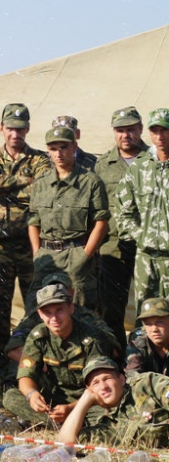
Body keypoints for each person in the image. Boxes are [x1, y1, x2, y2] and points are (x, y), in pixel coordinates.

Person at [0, 103, 52, 390]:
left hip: (29, 243)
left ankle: (35, 363)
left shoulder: (40, 159)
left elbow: (42, 189)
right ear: (1, 128)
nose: (15, 133)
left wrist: (8, 188)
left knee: (36, 307)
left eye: (20, 129)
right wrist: (24, 182)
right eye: (10, 128)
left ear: (28, 129)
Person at [2, 282, 113, 426]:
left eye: (59, 310)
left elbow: (99, 387)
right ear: (40, 314)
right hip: (54, 399)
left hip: (88, 400)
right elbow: (25, 376)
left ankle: (64, 422)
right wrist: (32, 395)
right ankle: (66, 423)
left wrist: (71, 409)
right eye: (47, 312)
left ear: (71, 308)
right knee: (10, 397)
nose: (54, 318)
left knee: (108, 409)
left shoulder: (92, 339)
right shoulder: (38, 336)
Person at [25, 125, 109, 312]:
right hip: (46, 257)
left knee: (79, 312)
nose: (58, 153)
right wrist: (37, 252)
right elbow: (33, 221)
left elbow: (101, 222)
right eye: (53, 148)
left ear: (74, 147)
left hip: (76, 256)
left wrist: (86, 254)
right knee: (38, 311)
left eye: (63, 147)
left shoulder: (90, 182)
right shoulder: (41, 184)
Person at [94, 106, 149, 343]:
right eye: (120, 130)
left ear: (140, 129)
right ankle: (116, 360)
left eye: (130, 129)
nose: (125, 135)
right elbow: (96, 209)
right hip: (113, 247)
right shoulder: (102, 165)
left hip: (149, 247)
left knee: (149, 308)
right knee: (111, 309)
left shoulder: (155, 159)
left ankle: (143, 358)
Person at [115, 108, 169, 318]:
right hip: (146, 259)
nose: (159, 136)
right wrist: (143, 236)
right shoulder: (139, 168)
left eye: (164, 130)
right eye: (154, 131)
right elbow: (123, 212)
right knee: (145, 317)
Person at [57, 356, 169, 448]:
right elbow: (66, 441)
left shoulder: (145, 383)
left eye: (107, 379)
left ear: (121, 380)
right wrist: (84, 401)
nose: (103, 387)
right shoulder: (107, 423)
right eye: (95, 383)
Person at [125, 297, 169, 376]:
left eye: (159, 322)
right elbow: (133, 376)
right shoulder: (137, 342)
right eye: (148, 324)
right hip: (150, 387)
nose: (154, 329)